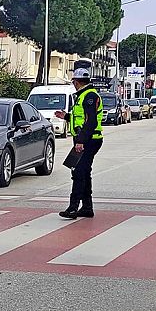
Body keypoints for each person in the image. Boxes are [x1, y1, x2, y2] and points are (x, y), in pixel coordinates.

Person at [54, 68, 103, 219]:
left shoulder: (88, 96)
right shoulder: (84, 96)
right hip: (86, 139)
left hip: (89, 140)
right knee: (84, 172)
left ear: (76, 82)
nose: (73, 84)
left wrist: (81, 141)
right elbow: (82, 119)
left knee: (79, 173)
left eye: (74, 82)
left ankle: (73, 208)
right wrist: (67, 117)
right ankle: (87, 207)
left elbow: (91, 121)